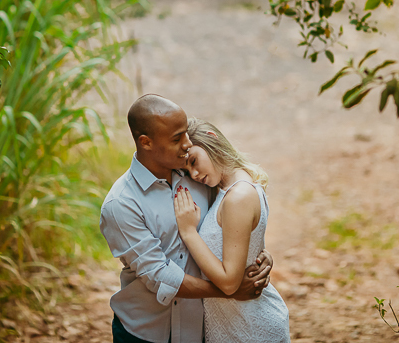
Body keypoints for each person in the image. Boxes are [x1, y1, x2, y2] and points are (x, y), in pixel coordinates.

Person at [100, 94, 273, 343]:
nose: (187, 143)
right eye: (177, 138)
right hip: (145, 333)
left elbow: (231, 225)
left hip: (199, 330)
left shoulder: (198, 176)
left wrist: (258, 256)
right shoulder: (121, 204)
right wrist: (231, 291)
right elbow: (158, 275)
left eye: (186, 134)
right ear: (146, 142)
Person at [173, 118, 290, 343]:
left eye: (194, 161)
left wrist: (189, 232)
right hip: (238, 325)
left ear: (212, 139)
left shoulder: (238, 196)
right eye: (187, 170)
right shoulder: (226, 191)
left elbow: (229, 283)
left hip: (252, 329)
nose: (194, 174)